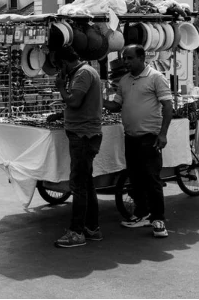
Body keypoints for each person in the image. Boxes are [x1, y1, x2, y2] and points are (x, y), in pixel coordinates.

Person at [104, 45, 173, 238]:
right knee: (135, 179)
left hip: (149, 137)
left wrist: (163, 134)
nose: (125, 61)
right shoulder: (124, 81)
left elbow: (168, 105)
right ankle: (142, 213)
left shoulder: (156, 77)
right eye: (124, 58)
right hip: (131, 137)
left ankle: (158, 220)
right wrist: (98, 100)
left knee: (152, 179)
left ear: (141, 58)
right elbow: (116, 105)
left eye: (129, 58)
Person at [49, 46, 103, 248]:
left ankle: (77, 232)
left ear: (63, 62)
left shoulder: (83, 74)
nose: (58, 71)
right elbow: (76, 105)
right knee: (86, 183)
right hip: (83, 133)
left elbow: (74, 101)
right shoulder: (84, 72)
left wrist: (61, 87)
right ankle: (91, 228)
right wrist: (60, 115)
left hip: (83, 135)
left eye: (58, 66)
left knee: (79, 185)